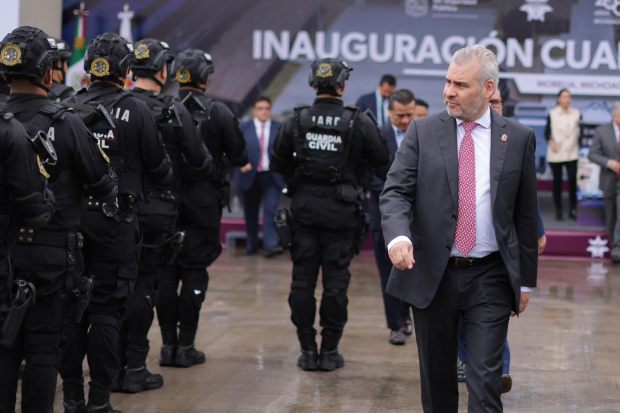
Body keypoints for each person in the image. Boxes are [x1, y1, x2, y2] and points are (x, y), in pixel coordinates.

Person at [381, 45, 538, 413]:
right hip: (433, 274)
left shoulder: (517, 138)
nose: (448, 91)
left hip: (491, 277)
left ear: (487, 89)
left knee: (485, 382)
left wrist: (526, 281)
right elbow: (395, 192)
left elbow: (526, 215)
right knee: (437, 384)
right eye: (448, 82)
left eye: (460, 85)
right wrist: (399, 236)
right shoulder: (421, 131)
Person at [0, 26, 117, 413]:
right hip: (52, 255)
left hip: (4, 251)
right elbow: (104, 187)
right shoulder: (66, 123)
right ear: (48, 72)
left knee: (3, 347)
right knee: (44, 349)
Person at [60, 32, 171, 413]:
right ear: (126, 70)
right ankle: (99, 402)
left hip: (71, 223)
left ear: (89, 68)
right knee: (106, 310)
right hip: (116, 224)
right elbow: (159, 168)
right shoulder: (137, 109)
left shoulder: (68, 106)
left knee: (72, 308)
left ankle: (73, 399)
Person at [270, 58, 390, 372]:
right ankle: (330, 351)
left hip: (304, 209)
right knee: (336, 282)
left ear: (313, 84)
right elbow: (382, 160)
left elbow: (276, 163)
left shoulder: (296, 119)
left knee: (302, 281)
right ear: (342, 85)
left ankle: (308, 350)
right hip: (342, 212)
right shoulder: (358, 120)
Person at [113, 38, 212, 394]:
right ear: (163, 70)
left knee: (112, 289)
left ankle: (110, 370)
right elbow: (200, 162)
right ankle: (136, 368)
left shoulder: (113, 103)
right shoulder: (173, 109)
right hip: (157, 212)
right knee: (144, 287)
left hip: (113, 210)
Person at [158, 49, 249, 368]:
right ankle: (186, 346)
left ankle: (167, 345)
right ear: (207, 78)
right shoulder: (219, 112)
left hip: (165, 203)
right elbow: (240, 156)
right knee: (195, 272)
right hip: (204, 204)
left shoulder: (162, 108)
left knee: (166, 274)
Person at [455, 88, 547, 395]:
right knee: (461, 323)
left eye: (496, 103)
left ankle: (499, 370)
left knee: (492, 320)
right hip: (452, 259)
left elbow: (525, 198)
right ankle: (465, 362)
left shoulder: (516, 140)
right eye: (488, 103)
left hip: (494, 260)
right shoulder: (456, 137)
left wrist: (537, 232)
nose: (492, 108)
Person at [369, 89, 416, 346]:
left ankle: (407, 315)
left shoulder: (423, 134)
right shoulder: (378, 137)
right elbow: (369, 177)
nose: (405, 120)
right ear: (389, 112)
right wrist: (395, 191)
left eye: (410, 114)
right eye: (400, 116)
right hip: (382, 217)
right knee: (387, 274)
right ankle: (395, 325)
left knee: (412, 270)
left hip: (416, 219)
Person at [234, 96, 284, 257]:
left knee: (270, 209)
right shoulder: (243, 127)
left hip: (271, 176)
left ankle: (271, 245)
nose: (264, 111)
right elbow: (234, 148)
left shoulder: (279, 128)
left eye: (267, 108)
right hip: (249, 175)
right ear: (254, 110)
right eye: (260, 108)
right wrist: (241, 162)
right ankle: (252, 244)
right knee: (250, 212)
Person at [588, 102, 620, 262]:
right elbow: (592, 154)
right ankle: (615, 248)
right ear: (614, 116)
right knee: (611, 217)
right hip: (609, 179)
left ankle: (617, 251)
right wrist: (609, 163)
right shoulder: (602, 131)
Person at [545, 89, 581, 221]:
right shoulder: (552, 113)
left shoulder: (577, 113)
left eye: (569, 97)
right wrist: (551, 142)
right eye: (564, 97)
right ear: (558, 99)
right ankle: (558, 210)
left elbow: (581, 132)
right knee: (557, 182)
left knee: (572, 181)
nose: (567, 100)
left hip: (572, 152)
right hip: (557, 152)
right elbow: (547, 132)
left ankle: (573, 209)